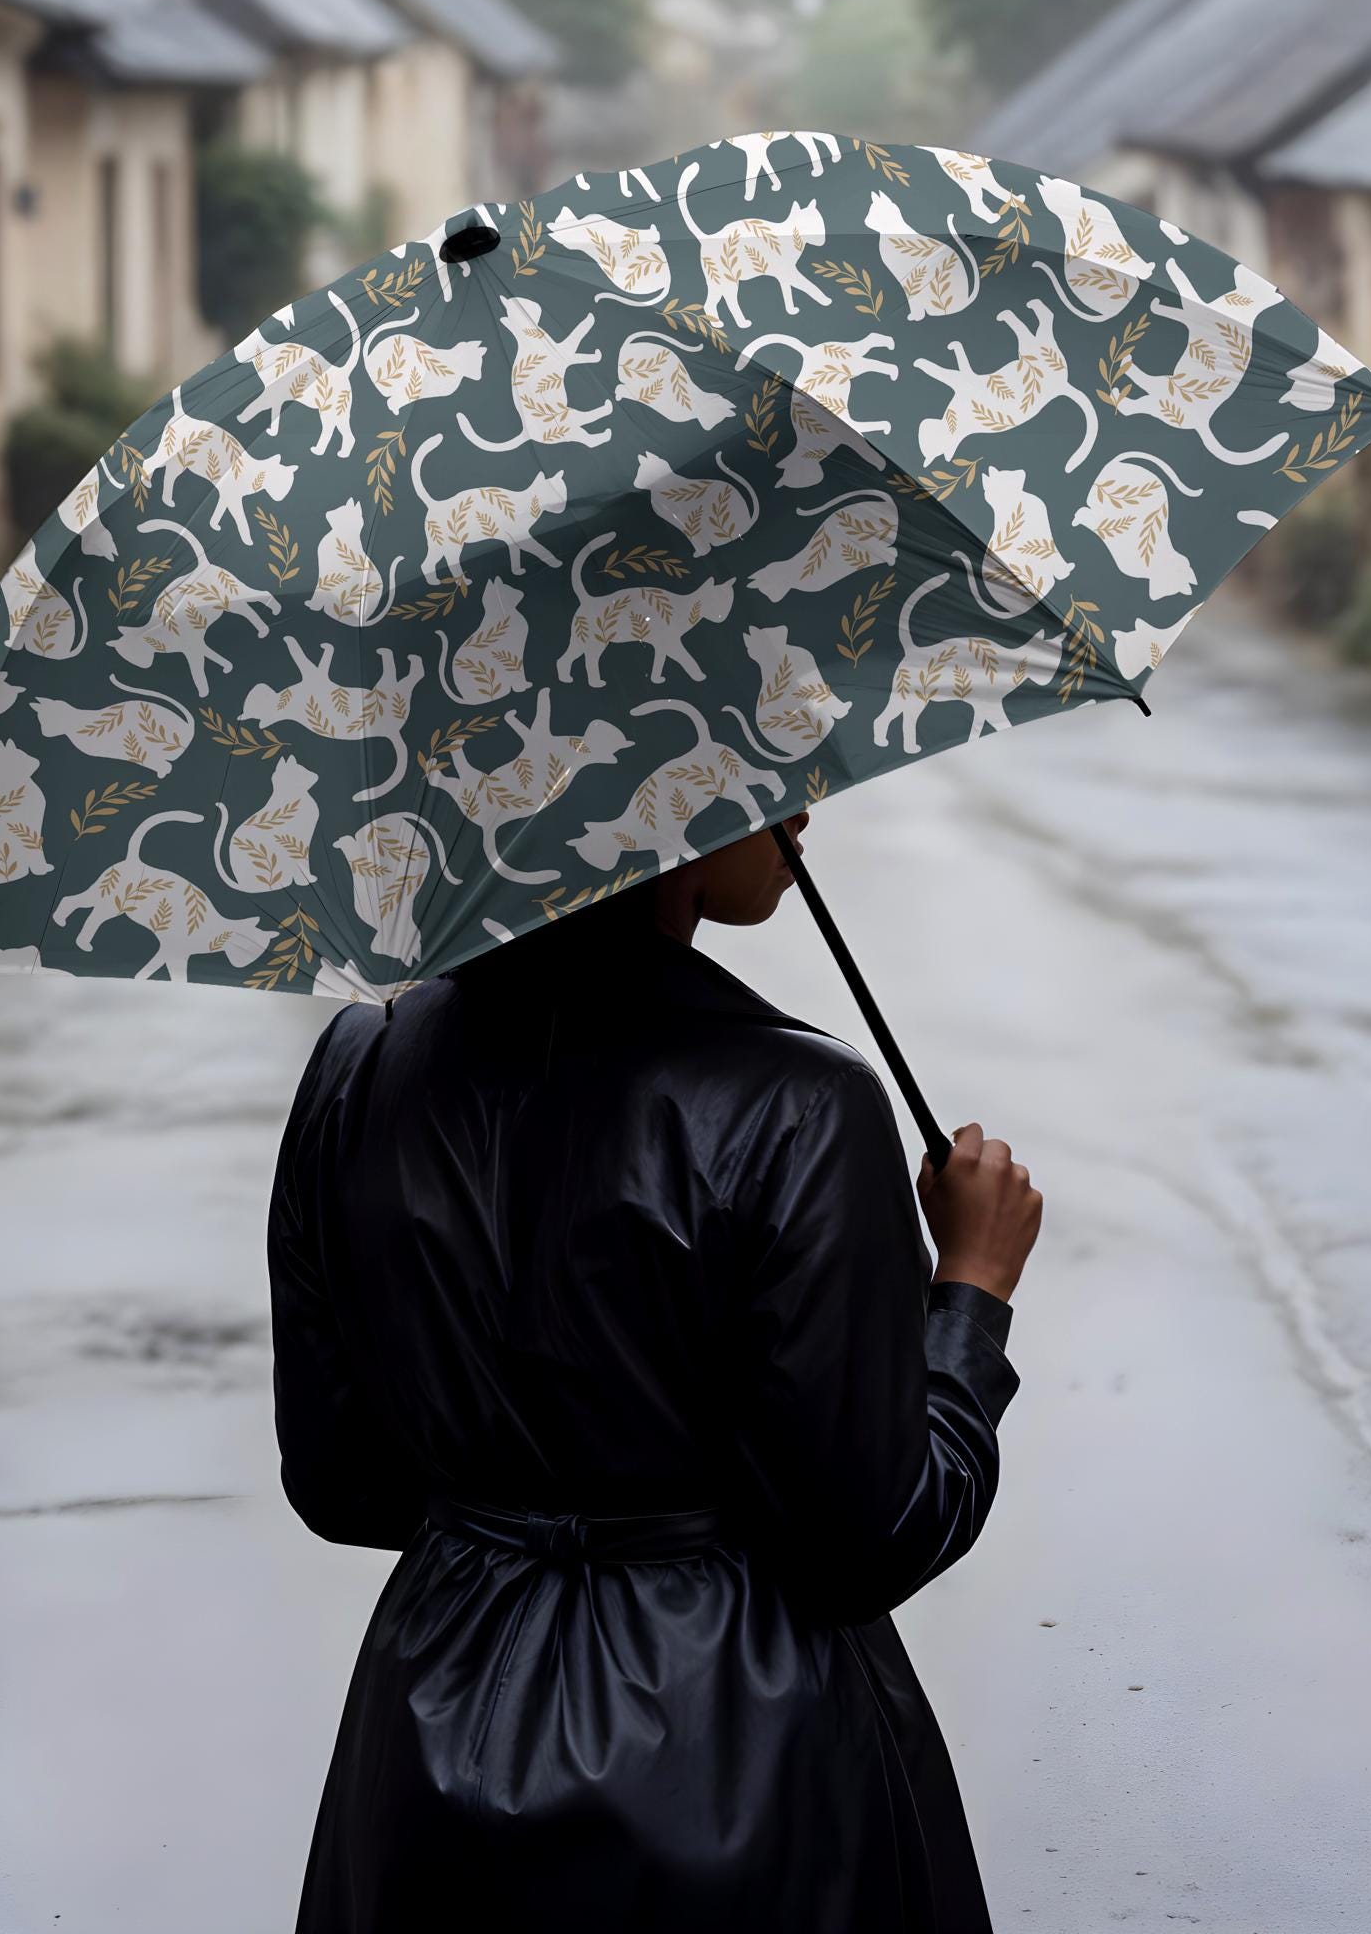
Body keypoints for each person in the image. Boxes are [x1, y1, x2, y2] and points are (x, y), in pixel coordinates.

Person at [269, 812, 1042, 1932]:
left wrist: (511, 1488)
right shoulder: (802, 1109)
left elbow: (343, 1482)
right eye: (759, 762)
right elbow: (869, 1539)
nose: (803, 800)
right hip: (745, 1768)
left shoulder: (358, 1067)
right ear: (647, 815)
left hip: (429, 1748)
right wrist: (970, 1290)